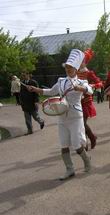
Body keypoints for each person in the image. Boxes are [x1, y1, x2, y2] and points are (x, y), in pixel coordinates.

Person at [28, 49, 93, 180]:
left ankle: (87, 160)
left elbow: (90, 91)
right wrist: (36, 90)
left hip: (75, 117)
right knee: (63, 144)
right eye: (67, 67)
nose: (68, 70)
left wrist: (80, 88)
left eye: (71, 68)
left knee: (76, 145)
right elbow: (51, 91)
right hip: (62, 116)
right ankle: (70, 169)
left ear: (76, 69)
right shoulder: (61, 81)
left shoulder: (82, 82)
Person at [77, 48, 103, 150]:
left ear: (85, 62)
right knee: (80, 124)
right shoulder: (75, 73)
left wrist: (92, 85)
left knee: (82, 123)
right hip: (77, 102)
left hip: (86, 102)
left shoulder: (89, 73)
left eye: (82, 61)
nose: (80, 63)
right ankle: (91, 138)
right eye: (79, 61)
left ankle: (89, 141)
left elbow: (100, 83)